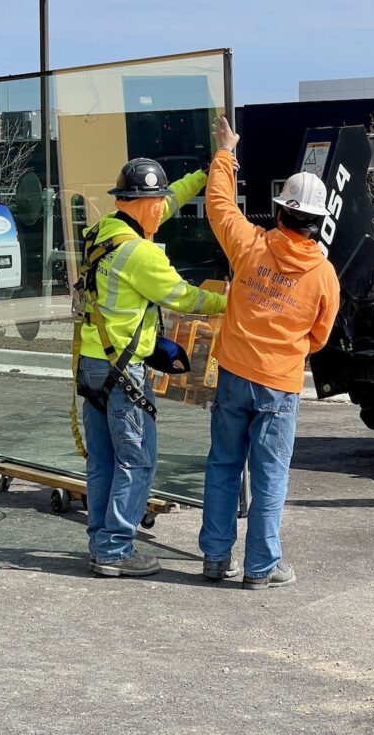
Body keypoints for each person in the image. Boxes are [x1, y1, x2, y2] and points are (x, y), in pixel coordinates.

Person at [199, 116, 340, 589]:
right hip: (279, 385)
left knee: (223, 465)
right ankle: (261, 567)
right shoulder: (324, 276)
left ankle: (216, 557)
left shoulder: (250, 247)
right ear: (318, 223)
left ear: (280, 213)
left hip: (234, 374)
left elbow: (219, 205)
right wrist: (288, 351)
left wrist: (226, 152)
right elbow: (319, 337)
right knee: (270, 475)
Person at [76, 157, 227, 578]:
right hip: (123, 372)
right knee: (137, 460)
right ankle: (115, 550)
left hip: (93, 364)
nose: (164, 208)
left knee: (104, 461)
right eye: (158, 201)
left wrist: (205, 173)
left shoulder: (102, 232)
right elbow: (185, 297)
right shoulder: (140, 254)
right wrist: (232, 303)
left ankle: (101, 543)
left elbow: (169, 200)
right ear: (146, 204)